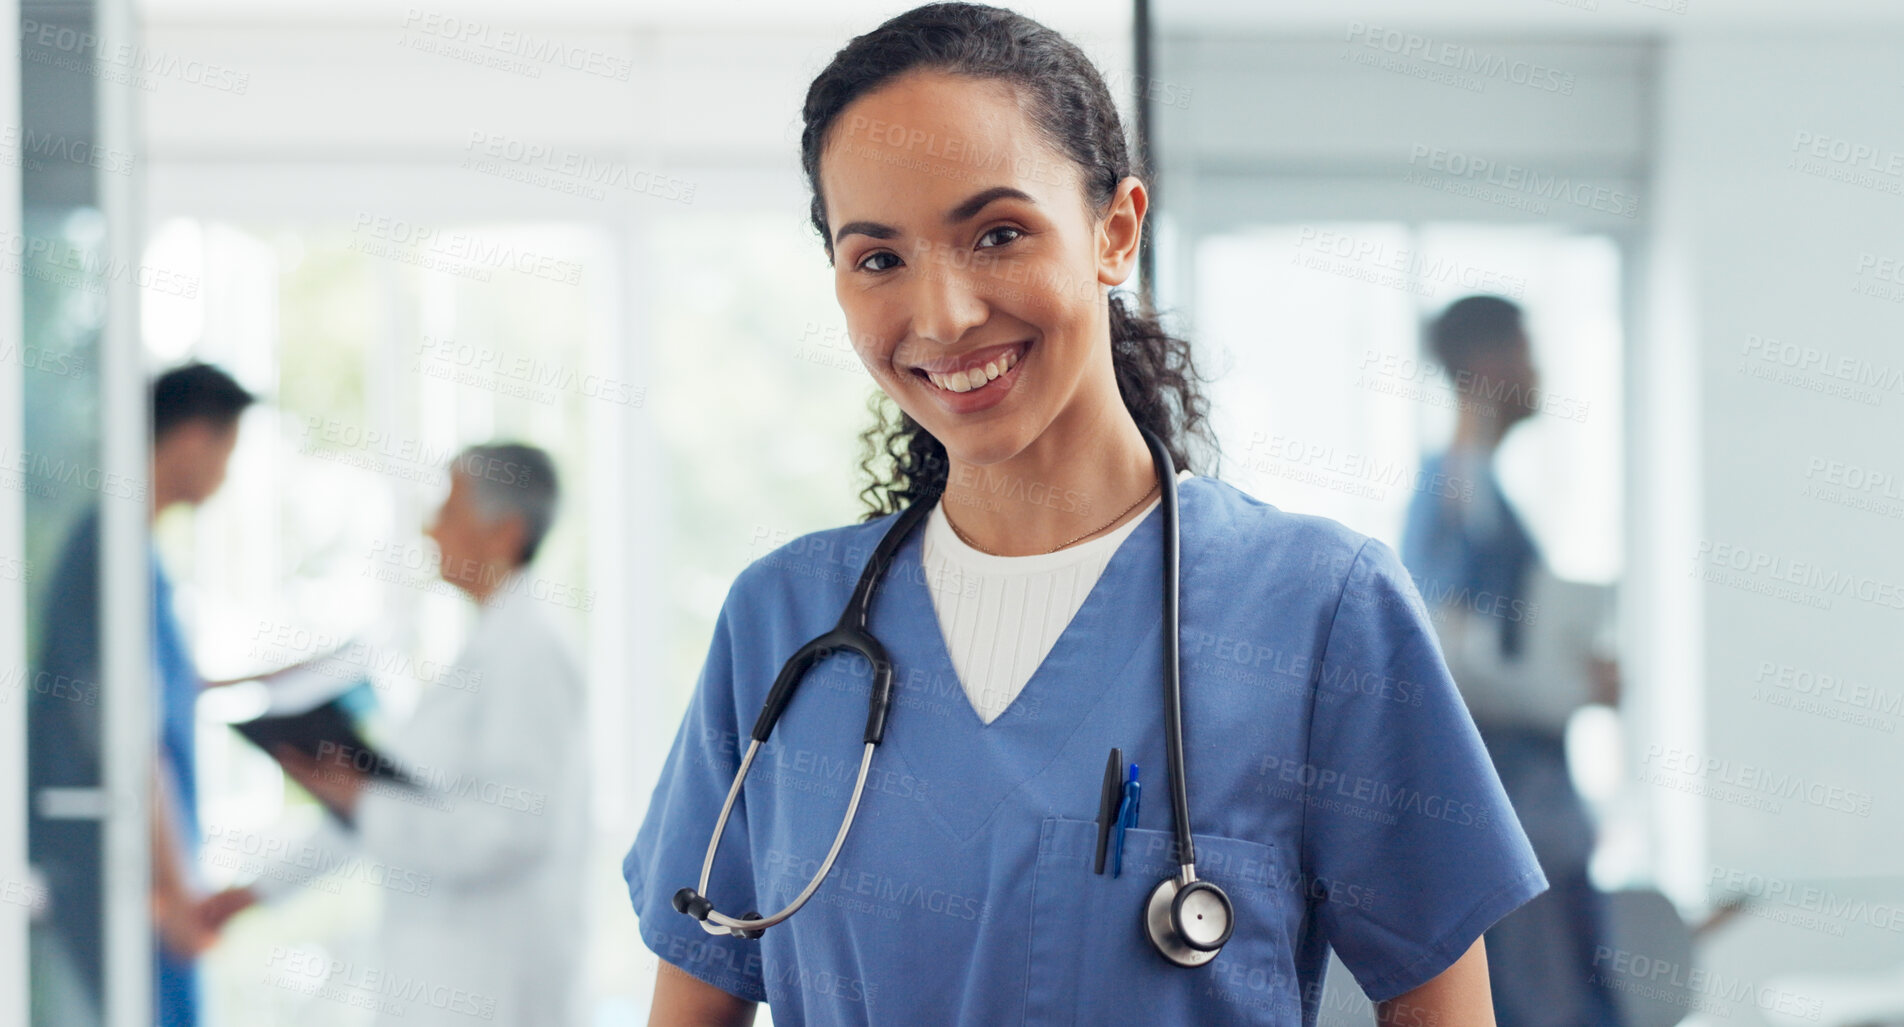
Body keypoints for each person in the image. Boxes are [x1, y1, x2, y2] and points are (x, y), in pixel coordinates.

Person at [622, 6, 1546, 1026]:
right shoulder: (781, 624)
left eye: (999, 233)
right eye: (878, 258)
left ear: (1116, 230)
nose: (944, 316)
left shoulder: (1318, 611)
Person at [214, 442, 589, 1027]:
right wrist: (247, 895)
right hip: (446, 975)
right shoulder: (486, 650)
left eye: (448, 511)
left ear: (505, 533)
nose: (429, 528)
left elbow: (514, 831)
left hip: (492, 981)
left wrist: (361, 799)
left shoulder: (531, 654)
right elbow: (388, 805)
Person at [1399, 295, 1623, 1027]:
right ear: (1486, 365)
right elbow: (1452, 665)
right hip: (1510, 813)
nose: (1536, 372)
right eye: (1525, 353)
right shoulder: (1453, 493)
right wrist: (1565, 690)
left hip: (1534, 813)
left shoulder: (1480, 493)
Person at [30, 361, 256, 1027]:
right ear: (190, 439)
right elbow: (122, 727)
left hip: (137, 861)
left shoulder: (134, 554)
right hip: (115, 867)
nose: (226, 473)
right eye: (226, 451)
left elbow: (161, 694)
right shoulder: (110, 552)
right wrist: (173, 886)